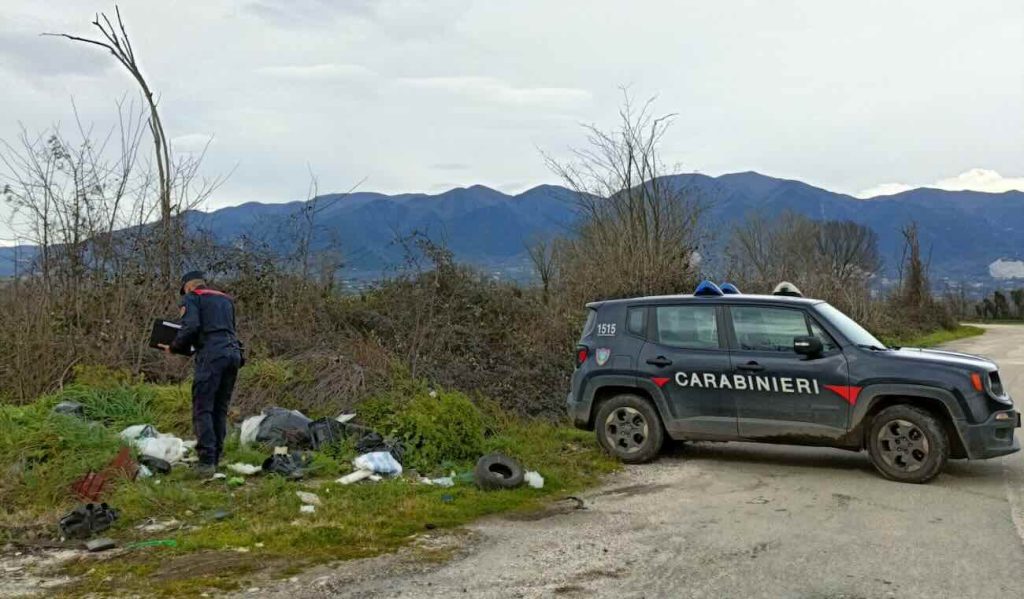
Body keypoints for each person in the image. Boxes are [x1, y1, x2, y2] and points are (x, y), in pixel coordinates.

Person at [158, 271, 242, 477]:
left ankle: (206, 462)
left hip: (211, 356)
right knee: (220, 408)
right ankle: (217, 456)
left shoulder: (192, 298)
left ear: (187, 287)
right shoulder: (226, 299)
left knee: (203, 407)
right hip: (233, 354)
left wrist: (174, 346)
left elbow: (191, 326)